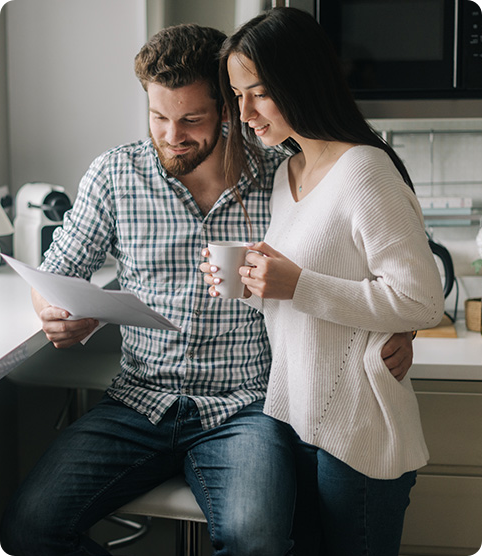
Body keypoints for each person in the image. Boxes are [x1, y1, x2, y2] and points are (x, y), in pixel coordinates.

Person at [0, 22, 413, 556]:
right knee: (26, 528)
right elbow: (58, 272)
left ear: (226, 108)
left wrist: (402, 325)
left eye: (191, 119)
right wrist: (52, 309)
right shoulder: (115, 174)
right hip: (137, 400)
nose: (172, 135)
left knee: (257, 541)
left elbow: (373, 261)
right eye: (158, 117)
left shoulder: (282, 175)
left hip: (245, 408)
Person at [202, 7, 445, 556]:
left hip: (357, 434)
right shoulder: (288, 173)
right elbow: (305, 297)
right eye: (238, 95)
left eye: (258, 92)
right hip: (294, 421)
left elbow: (421, 300)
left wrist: (296, 284)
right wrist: (251, 280)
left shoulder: (364, 170)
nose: (245, 113)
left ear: (300, 80)